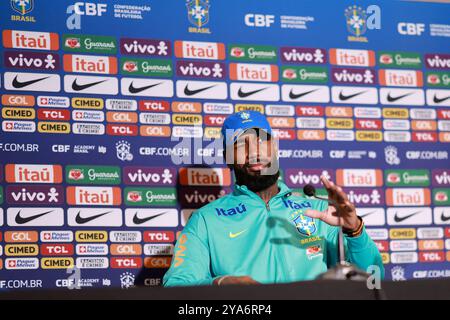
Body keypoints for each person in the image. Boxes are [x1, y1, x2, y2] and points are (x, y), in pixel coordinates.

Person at [163, 111, 384, 286]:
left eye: (262, 140)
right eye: (241, 144)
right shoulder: (205, 220)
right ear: (227, 157)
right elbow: (176, 287)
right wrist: (220, 283)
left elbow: (373, 280)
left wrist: (354, 231)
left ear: (275, 147)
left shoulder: (321, 211)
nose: (254, 151)